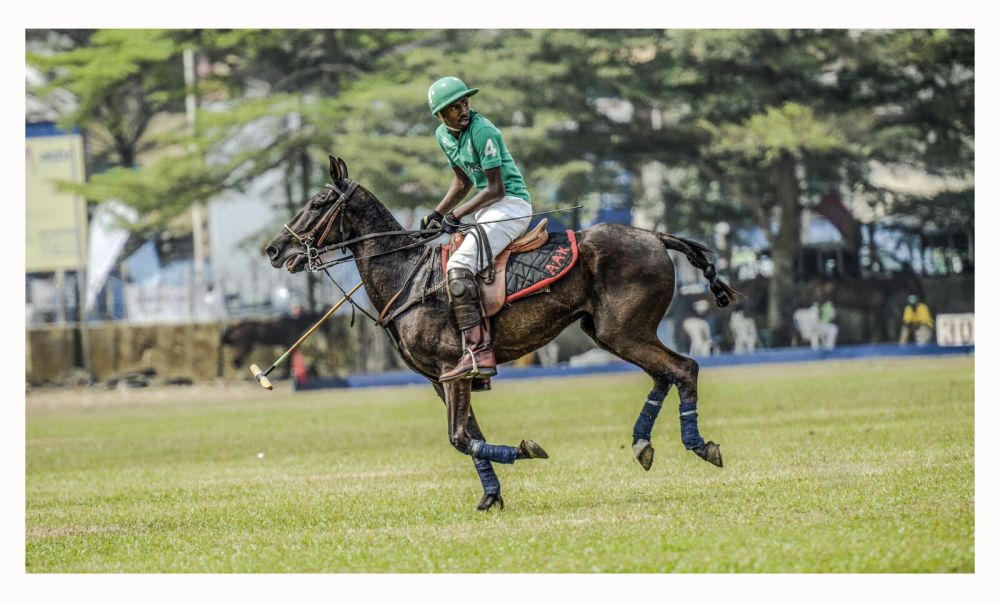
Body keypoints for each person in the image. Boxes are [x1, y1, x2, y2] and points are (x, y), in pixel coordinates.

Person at [419, 76, 533, 382]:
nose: (463, 110)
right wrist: (437, 213)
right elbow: (462, 181)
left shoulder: (483, 132)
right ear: (440, 115)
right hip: (487, 210)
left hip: (510, 206)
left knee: (458, 265)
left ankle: (478, 353)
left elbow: (495, 189)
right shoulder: (443, 136)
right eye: (454, 107)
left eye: (464, 103)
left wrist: (456, 214)